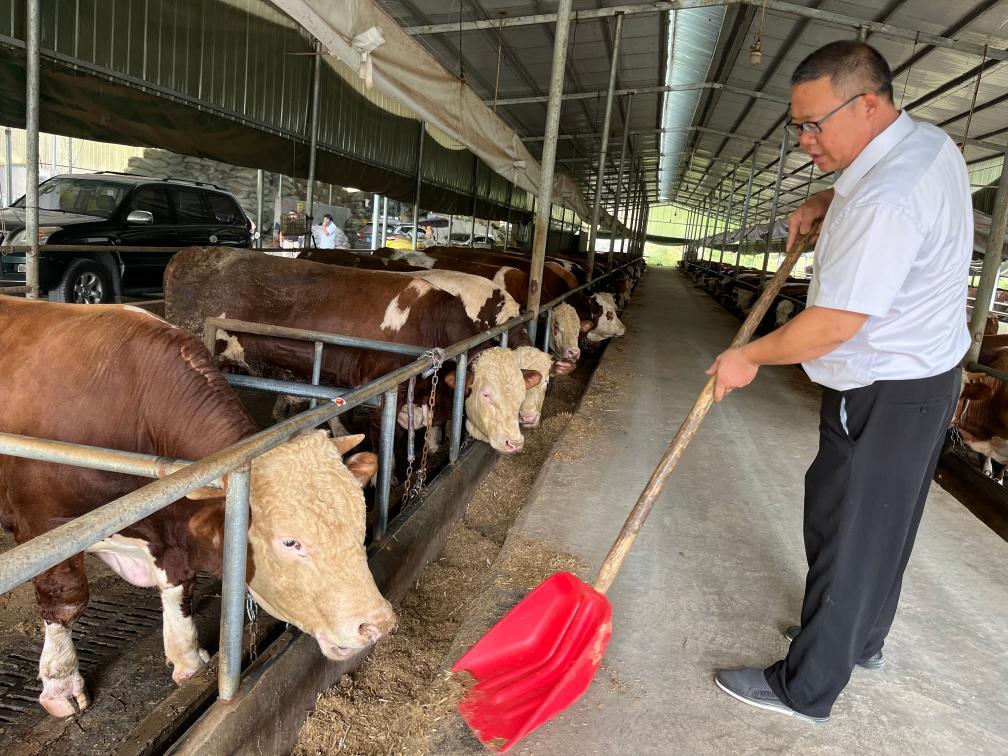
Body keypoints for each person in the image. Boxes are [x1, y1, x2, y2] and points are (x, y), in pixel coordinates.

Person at [708, 41, 971, 723]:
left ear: (870, 104)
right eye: (797, 126)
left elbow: (829, 327)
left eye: (814, 125)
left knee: (845, 525)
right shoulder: (926, 145)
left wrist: (750, 357)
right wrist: (829, 197)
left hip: (884, 383)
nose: (803, 141)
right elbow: (875, 192)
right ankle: (860, 640)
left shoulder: (886, 199)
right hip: (923, 377)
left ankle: (808, 685)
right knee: (881, 525)